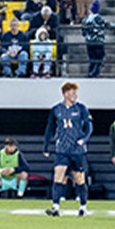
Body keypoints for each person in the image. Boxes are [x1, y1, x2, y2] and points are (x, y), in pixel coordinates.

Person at [44, 81, 93, 216]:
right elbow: (50, 128)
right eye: (72, 92)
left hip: (77, 150)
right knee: (58, 176)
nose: (75, 95)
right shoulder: (56, 109)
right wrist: (46, 146)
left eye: (76, 93)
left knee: (79, 179)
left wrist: (84, 139)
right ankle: (55, 206)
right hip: (62, 149)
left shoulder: (82, 108)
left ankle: (83, 206)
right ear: (65, 94)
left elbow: (89, 127)